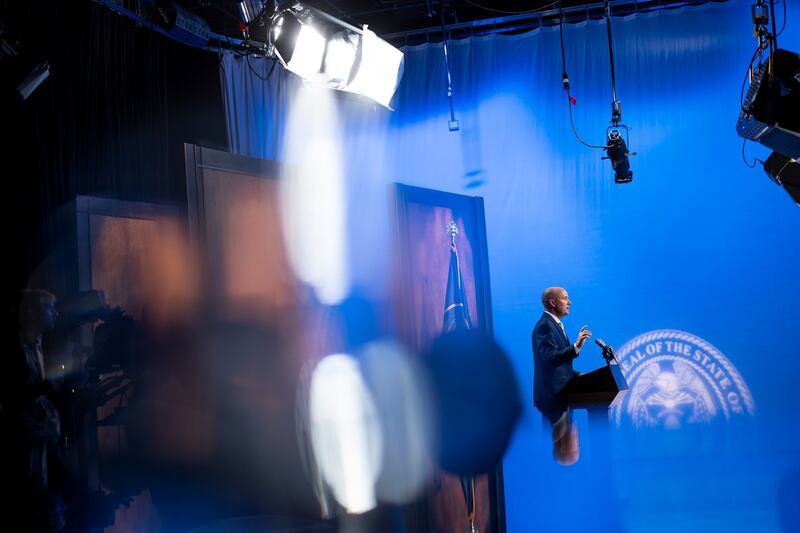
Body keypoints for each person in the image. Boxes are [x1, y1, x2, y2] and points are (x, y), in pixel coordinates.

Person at [1, 289, 65, 531]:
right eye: (49, 308)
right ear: (30, 313)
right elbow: (12, 401)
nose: (55, 314)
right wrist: (44, 389)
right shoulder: (17, 351)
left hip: (36, 455)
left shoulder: (36, 347)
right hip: (22, 456)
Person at [531, 287, 591, 464]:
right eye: (565, 298)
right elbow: (550, 359)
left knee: (565, 443)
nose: (569, 302)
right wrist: (576, 347)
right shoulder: (544, 326)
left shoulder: (554, 325)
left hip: (561, 398)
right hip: (553, 400)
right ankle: (562, 468)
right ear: (552, 302)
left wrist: (578, 376)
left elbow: (558, 369)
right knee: (560, 447)